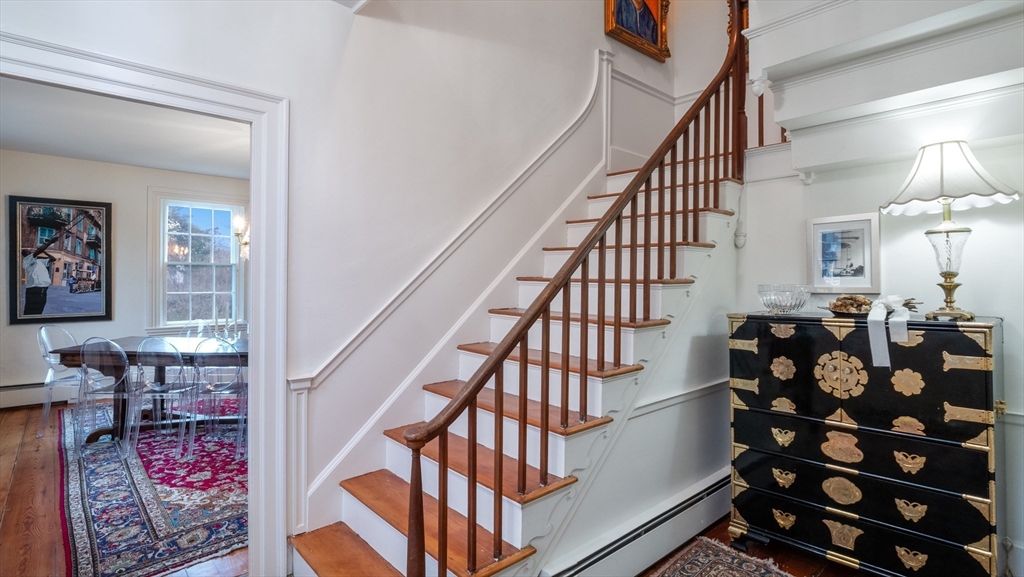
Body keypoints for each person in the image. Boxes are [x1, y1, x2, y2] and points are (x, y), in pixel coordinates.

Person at [22, 246, 56, 315]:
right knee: (33, 307)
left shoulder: (39, 260)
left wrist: (44, 252)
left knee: (39, 306)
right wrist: (49, 243)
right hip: (35, 286)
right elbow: (36, 253)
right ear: (25, 254)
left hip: (43, 286)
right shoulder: (26, 260)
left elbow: (53, 259)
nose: (31, 252)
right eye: (29, 252)